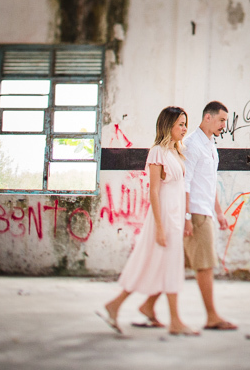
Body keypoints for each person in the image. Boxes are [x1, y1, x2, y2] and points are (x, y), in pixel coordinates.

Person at [97, 106, 199, 337]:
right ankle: (175, 321)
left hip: (175, 216)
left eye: (185, 124)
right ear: (167, 126)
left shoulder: (176, 152)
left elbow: (179, 188)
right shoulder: (157, 152)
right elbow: (153, 192)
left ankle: (129, 306)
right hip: (163, 217)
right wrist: (160, 228)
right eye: (180, 124)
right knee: (164, 265)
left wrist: (185, 218)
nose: (184, 128)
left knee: (160, 265)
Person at [137, 101, 237, 331]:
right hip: (195, 213)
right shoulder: (191, 145)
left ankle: (148, 306)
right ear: (208, 118)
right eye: (221, 120)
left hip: (204, 211)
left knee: (173, 264)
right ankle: (212, 316)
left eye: (225, 121)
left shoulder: (211, 146)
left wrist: (219, 212)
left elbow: (209, 184)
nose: (224, 125)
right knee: (204, 266)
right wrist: (187, 217)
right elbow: (186, 184)